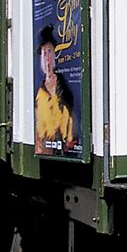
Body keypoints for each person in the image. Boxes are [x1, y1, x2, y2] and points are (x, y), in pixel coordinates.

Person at [34, 26, 76, 155]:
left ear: (54, 55)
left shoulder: (66, 89)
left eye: (49, 52)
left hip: (64, 150)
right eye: (44, 53)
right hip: (43, 150)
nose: (47, 58)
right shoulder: (37, 93)